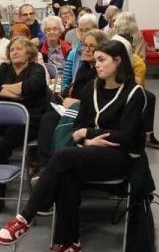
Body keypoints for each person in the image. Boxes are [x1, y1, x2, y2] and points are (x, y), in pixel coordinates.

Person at [0, 40, 146, 252]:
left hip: (121, 159)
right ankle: (69, 244)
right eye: (95, 60)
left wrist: (89, 132)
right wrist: (89, 138)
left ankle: (25, 217)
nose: (97, 65)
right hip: (89, 151)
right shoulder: (91, 89)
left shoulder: (135, 93)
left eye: (102, 60)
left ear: (118, 61)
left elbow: (125, 136)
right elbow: (76, 130)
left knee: (63, 157)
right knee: (65, 175)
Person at [0, 37, 48, 215]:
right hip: (6, 116)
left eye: (19, 49)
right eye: (12, 50)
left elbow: (31, 86)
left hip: (30, 118)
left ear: (29, 52)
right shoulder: (3, 68)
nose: (15, 52)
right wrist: (15, 93)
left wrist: (4, 89)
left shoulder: (37, 69)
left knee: (0, 144)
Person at [35, 29, 108, 174]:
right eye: (84, 45)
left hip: (88, 113)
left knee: (49, 119)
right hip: (73, 107)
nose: (86, 49)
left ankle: (47, 165)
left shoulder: (102, 72)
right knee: (47, 108)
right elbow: (73, 89)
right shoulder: (85, 67)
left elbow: (98, 100)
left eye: (91, 46)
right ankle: (44, 164)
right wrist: (62, 97)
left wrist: (73, 102)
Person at [111, 16, 159, 150]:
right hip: (119, 83)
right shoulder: (126, 44)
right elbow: (129, 68)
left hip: (116, 80)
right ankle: (148, 135)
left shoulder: (113, 39)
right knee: (149, 97)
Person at [60, 13, 99, 95]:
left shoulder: (102, 54)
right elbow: (65, 80)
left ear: (96, 29)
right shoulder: (73, 53)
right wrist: (66, 94)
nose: (84, 33)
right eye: (81, 30)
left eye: (88, 30)